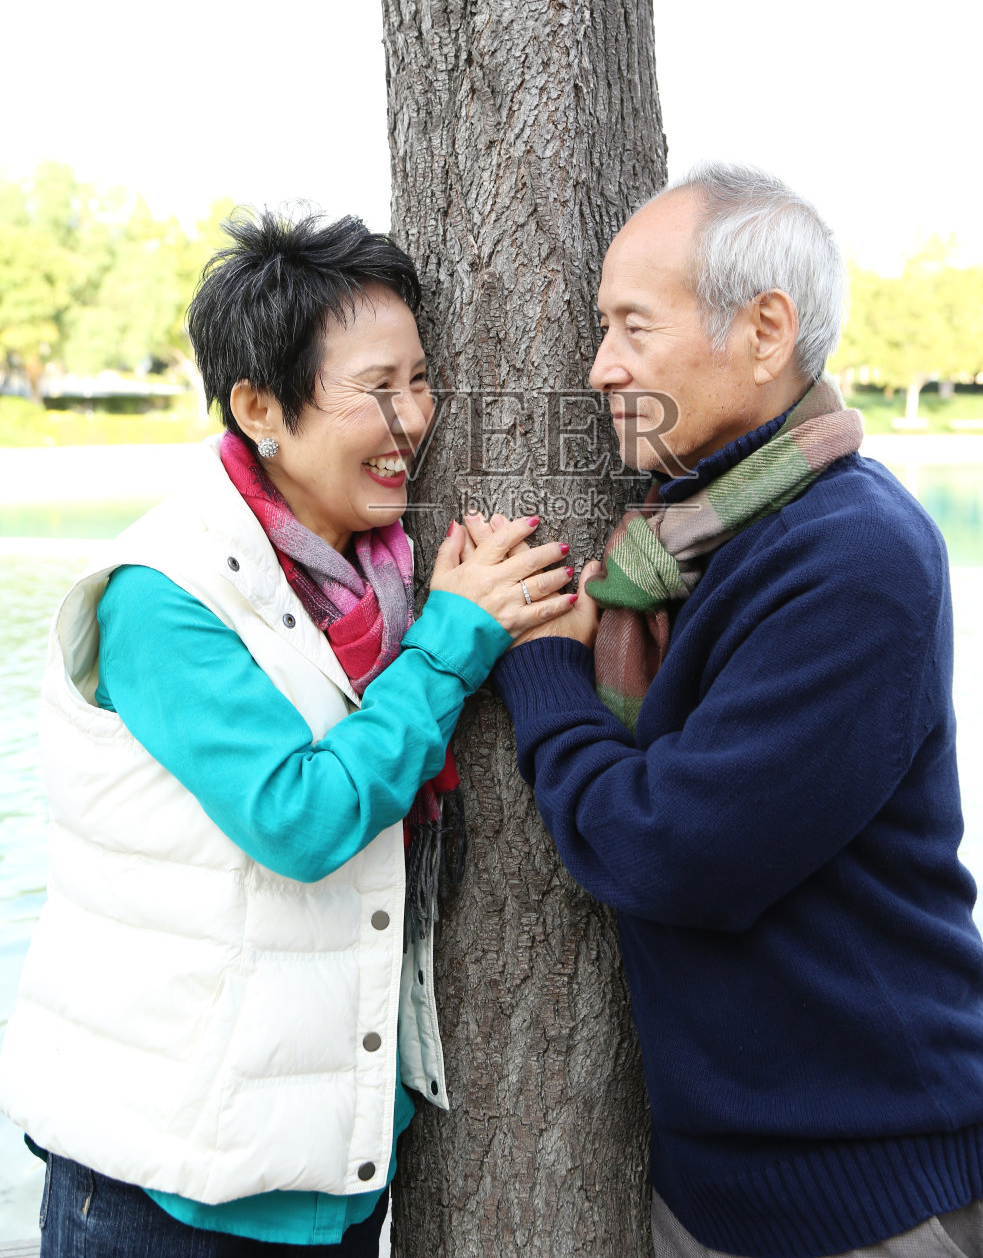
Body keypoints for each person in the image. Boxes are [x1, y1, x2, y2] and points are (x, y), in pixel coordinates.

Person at [480, 164, 983, 1258]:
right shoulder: (697, 540)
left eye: (630, 328)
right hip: (752, 1192)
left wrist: (547, 675)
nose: (599, 367)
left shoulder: (850, 555)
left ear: (763, 330)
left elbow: (672, 850)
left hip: (880, 1195)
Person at [0, 208, 576, 1256]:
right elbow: (298, 816)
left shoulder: (386, 576)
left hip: (332, 1173)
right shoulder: (163, 594)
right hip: (159, 1186)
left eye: (420, 380)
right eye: (375, 388)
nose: (414, 420)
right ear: (259, 404)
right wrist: (454, 640)